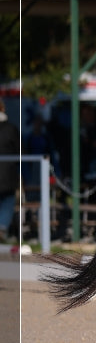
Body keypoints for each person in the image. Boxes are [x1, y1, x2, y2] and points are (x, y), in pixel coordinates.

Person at [0, 100, 19, 241]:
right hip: (8, 176)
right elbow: (22, 153)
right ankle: (2, 227)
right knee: (7, 201)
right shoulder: (11, 129)